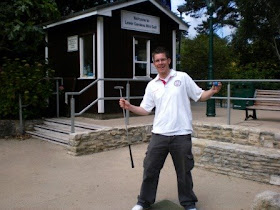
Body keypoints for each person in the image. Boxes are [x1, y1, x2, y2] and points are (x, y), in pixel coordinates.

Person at [119, 47, 222, 210]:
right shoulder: (152, 85)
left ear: (169, 61)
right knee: (150, 169)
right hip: (159, 134)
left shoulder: (182, 77)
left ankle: (188, 203)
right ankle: (143, 202)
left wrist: (213, 91)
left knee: (184, 172)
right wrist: (130, 106)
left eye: (162, 59)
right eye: (157, 60)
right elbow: (145, 109)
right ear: (153, 63)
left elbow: (199, 96)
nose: (160, 63)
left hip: (181, 134)